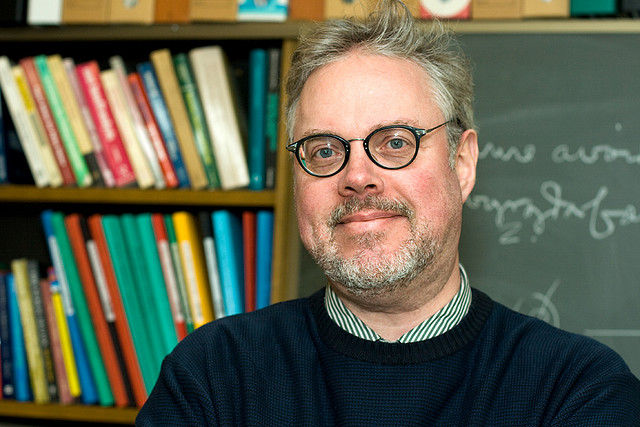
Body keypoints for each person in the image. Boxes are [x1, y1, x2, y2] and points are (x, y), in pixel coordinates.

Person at [137, 1, 640, 425]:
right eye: (324, 150)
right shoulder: (212, 376)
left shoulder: (577, 390)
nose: (357, 176)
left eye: (396, 142)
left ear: (462, 163)